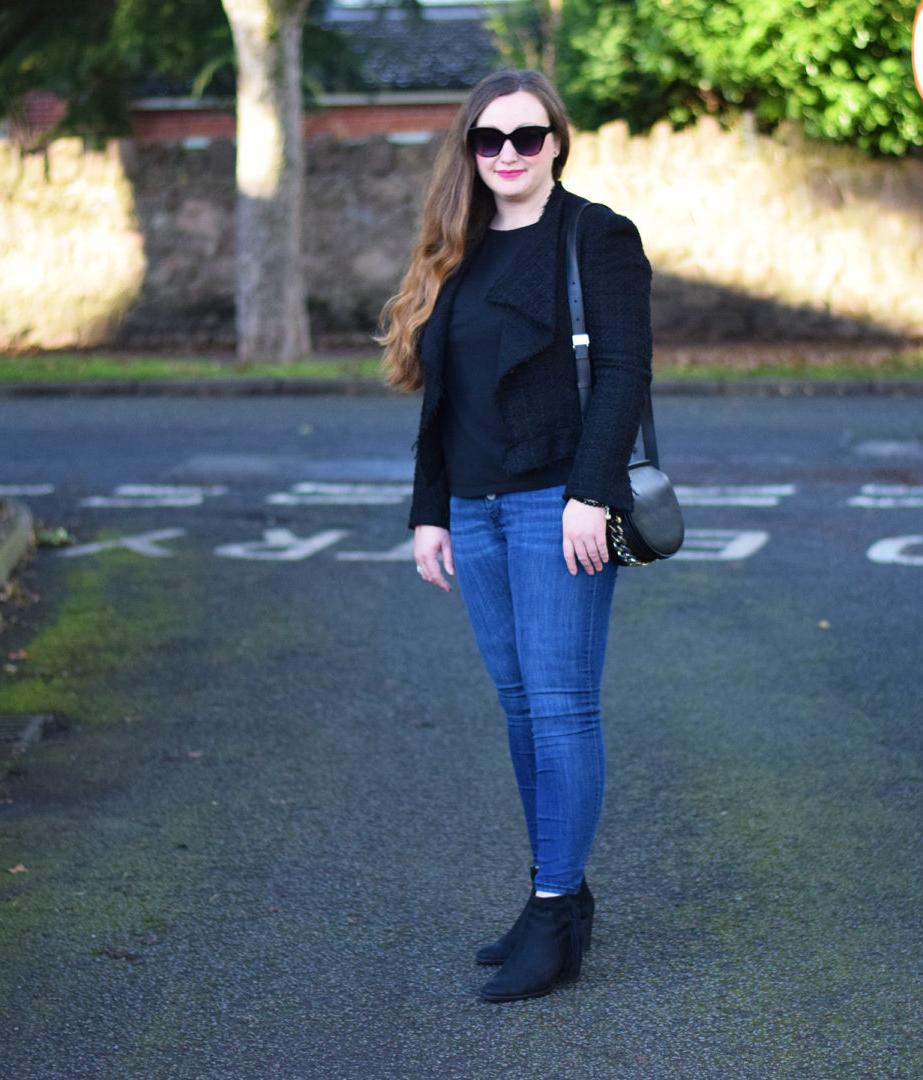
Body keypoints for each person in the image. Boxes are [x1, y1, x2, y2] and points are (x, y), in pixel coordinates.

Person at [379, 69, 652, 1002]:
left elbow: (622, 373)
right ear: (468, 150)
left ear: (556, 142)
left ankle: (550, 907)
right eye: (487, 141)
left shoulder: (597, 237)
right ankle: (561, 900)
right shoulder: (457, 247)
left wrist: (591, 493)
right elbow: (441, 395)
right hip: (476, 508)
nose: (506, 155)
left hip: (558, 504)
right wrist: (429, 508)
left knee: (564, 704)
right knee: (520, 708)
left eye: (525, 138)